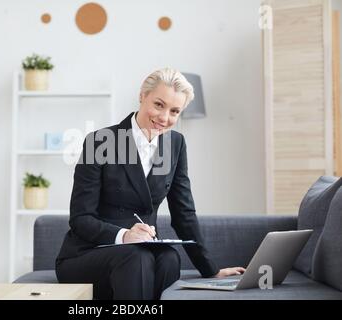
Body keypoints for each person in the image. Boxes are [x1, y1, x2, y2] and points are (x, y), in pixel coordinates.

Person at [56, 68, 245, 300]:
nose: (165, 118)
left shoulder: (175, 144)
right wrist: (124, 235)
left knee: (169, 258)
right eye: (158, 104)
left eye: (174, 111)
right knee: (136, 258)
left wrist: (211, 269)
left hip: (140, 253)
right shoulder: (100, 142)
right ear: (142, 96)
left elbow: (183, 212)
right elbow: (80, 218)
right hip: (87, 254)